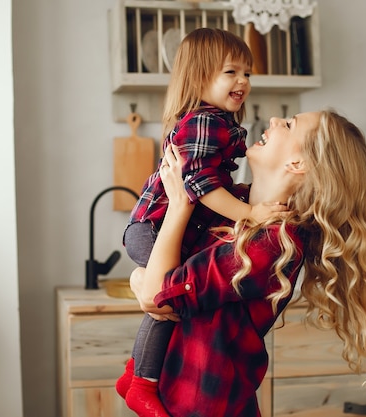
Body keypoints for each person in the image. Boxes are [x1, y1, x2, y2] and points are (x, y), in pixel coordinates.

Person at [129, 110, 366, 416]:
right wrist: (141, 276)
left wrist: (179, 205)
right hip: (175, 402)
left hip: (204, 407)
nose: (273, 121)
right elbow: (161, 277)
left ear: (298, 164)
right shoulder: (234, 204)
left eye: (288, 124)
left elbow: (158, 296)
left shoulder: (272, 244)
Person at [117, 28, 285, 416]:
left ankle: (135, 375)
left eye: (247, 72)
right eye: (231, 71)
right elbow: (201, 185)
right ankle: (141, 380)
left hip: (163, 226)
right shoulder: (206, 121)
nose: (242, 81)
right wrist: (250, 213)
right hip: (155, 227)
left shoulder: (214, 121)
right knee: (166, 301)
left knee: (165, 300)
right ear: (198, 77)